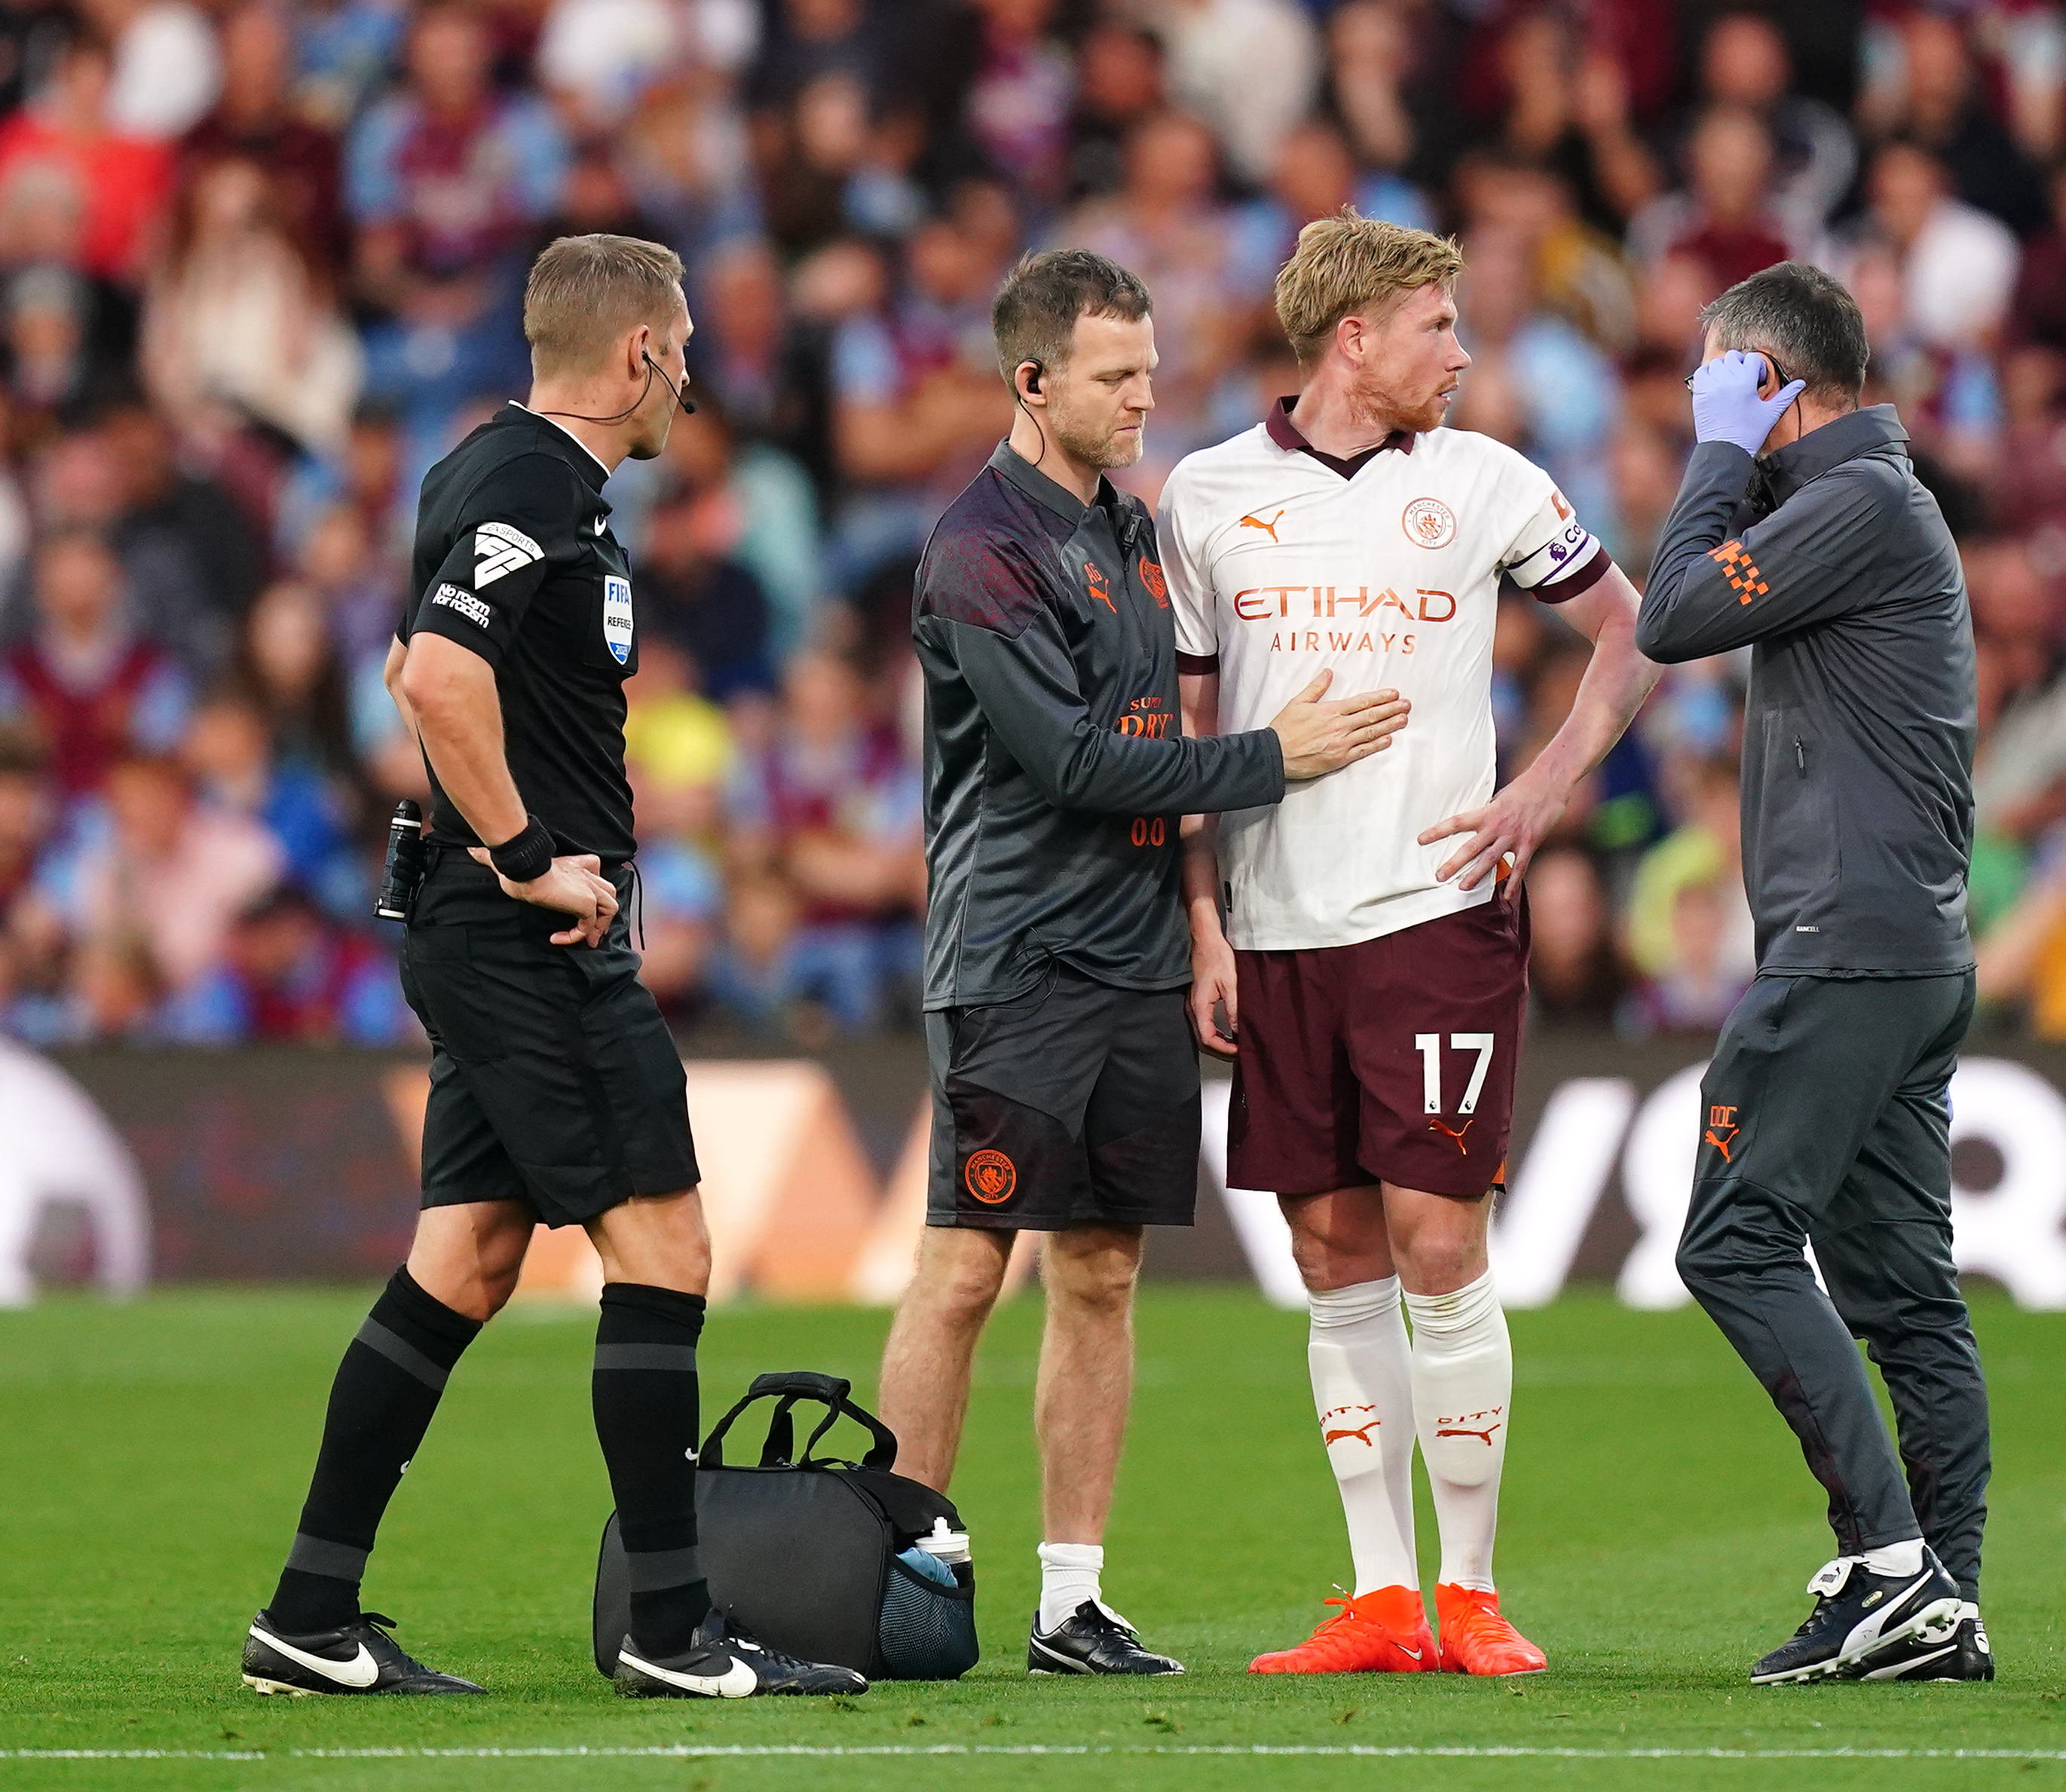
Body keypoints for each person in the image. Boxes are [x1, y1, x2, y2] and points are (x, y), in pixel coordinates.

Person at [239, 234, 866, 1702]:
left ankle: (309, 1613)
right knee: (667, 1249)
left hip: (481, 923)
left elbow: (421, 663)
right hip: (530, 931)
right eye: (687, 343)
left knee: (463, 1258)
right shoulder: (528, 483)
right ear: (640, 353)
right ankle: (673, 1627)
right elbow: (437, 678)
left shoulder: (492, 472)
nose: (694, 372)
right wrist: (526, 852)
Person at [876, 247, 1408, 1678]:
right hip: (1013, 953)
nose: (1144, 394)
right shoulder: (978, 546)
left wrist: (1193, 927)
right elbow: (1067, 761)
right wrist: (1273, 759)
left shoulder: (1127, 527)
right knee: (965, 1265)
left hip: (1125, 964)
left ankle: (1069, 1598)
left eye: (1150, 367)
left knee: (1101, 1272)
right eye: (1116, 375)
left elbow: (1150, 744)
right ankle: (892, 1566)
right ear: (1032, 381)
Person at [1163, 211, 1655, 1677]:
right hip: (1270, 921)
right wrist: (1202, 918)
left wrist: (1539, 788)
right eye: (1436, 326)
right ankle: (1380, 1598)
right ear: (1352, 337)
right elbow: (1188, 730)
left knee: (1440, 1236)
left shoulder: (1485, 480)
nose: (1462, 351)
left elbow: (1626, 631)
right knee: (1330, 1247)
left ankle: (1477, 1590)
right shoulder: (1206, 494)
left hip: (1433, 912)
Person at [1633, 261, 1989, 1687]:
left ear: (1770, 380)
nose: (1694, 400)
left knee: (1727, 1242)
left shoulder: (1857, 502)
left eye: (1717, 376)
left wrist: (1719, 452)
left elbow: (1669, 616)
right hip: (1902, 948)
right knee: (1905, 1296)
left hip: (1843, 949)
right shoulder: (1860, 504)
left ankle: (1892, 1565)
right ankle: (1943, 1598)